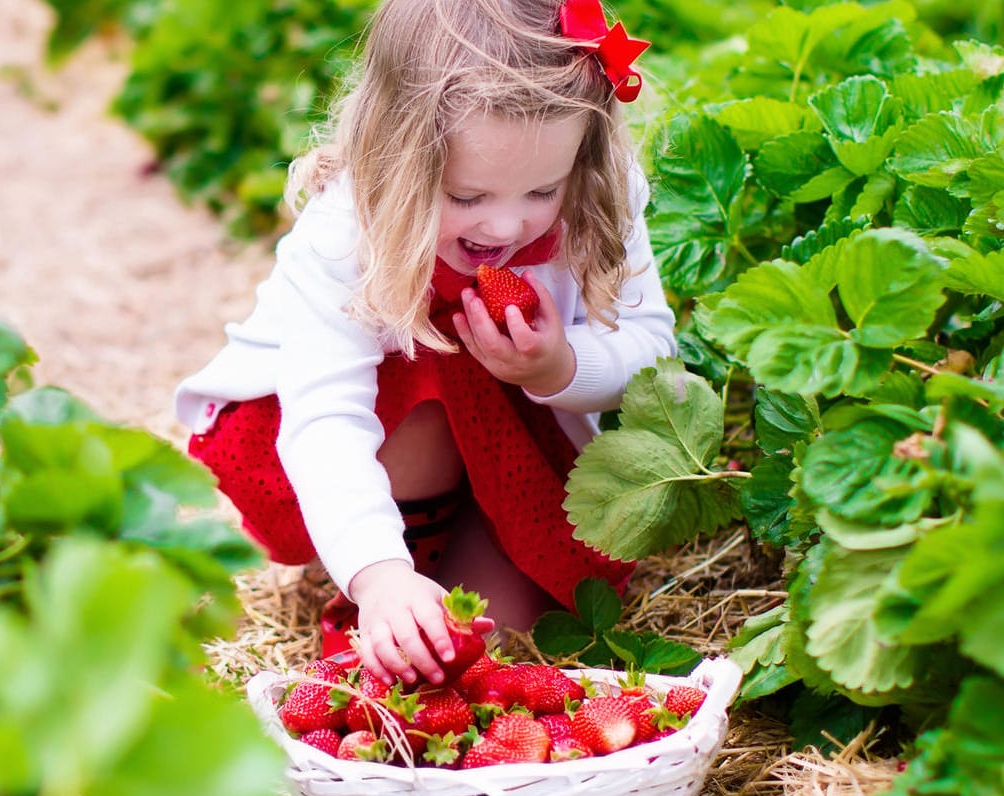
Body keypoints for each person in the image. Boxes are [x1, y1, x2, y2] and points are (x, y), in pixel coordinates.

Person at [175, 0, 675, 687]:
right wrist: (379, 576)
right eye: (466, 195)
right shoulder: (345, 232)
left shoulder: (598, 195)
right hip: (319, 442)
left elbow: (650, 344)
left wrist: (561, 366)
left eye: (540, 189)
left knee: (490, 648)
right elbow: (327, 421)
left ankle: (438, 583)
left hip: (507, 443)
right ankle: (380, 587)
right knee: (433, 368)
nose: (504, 223)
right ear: (396, 158)